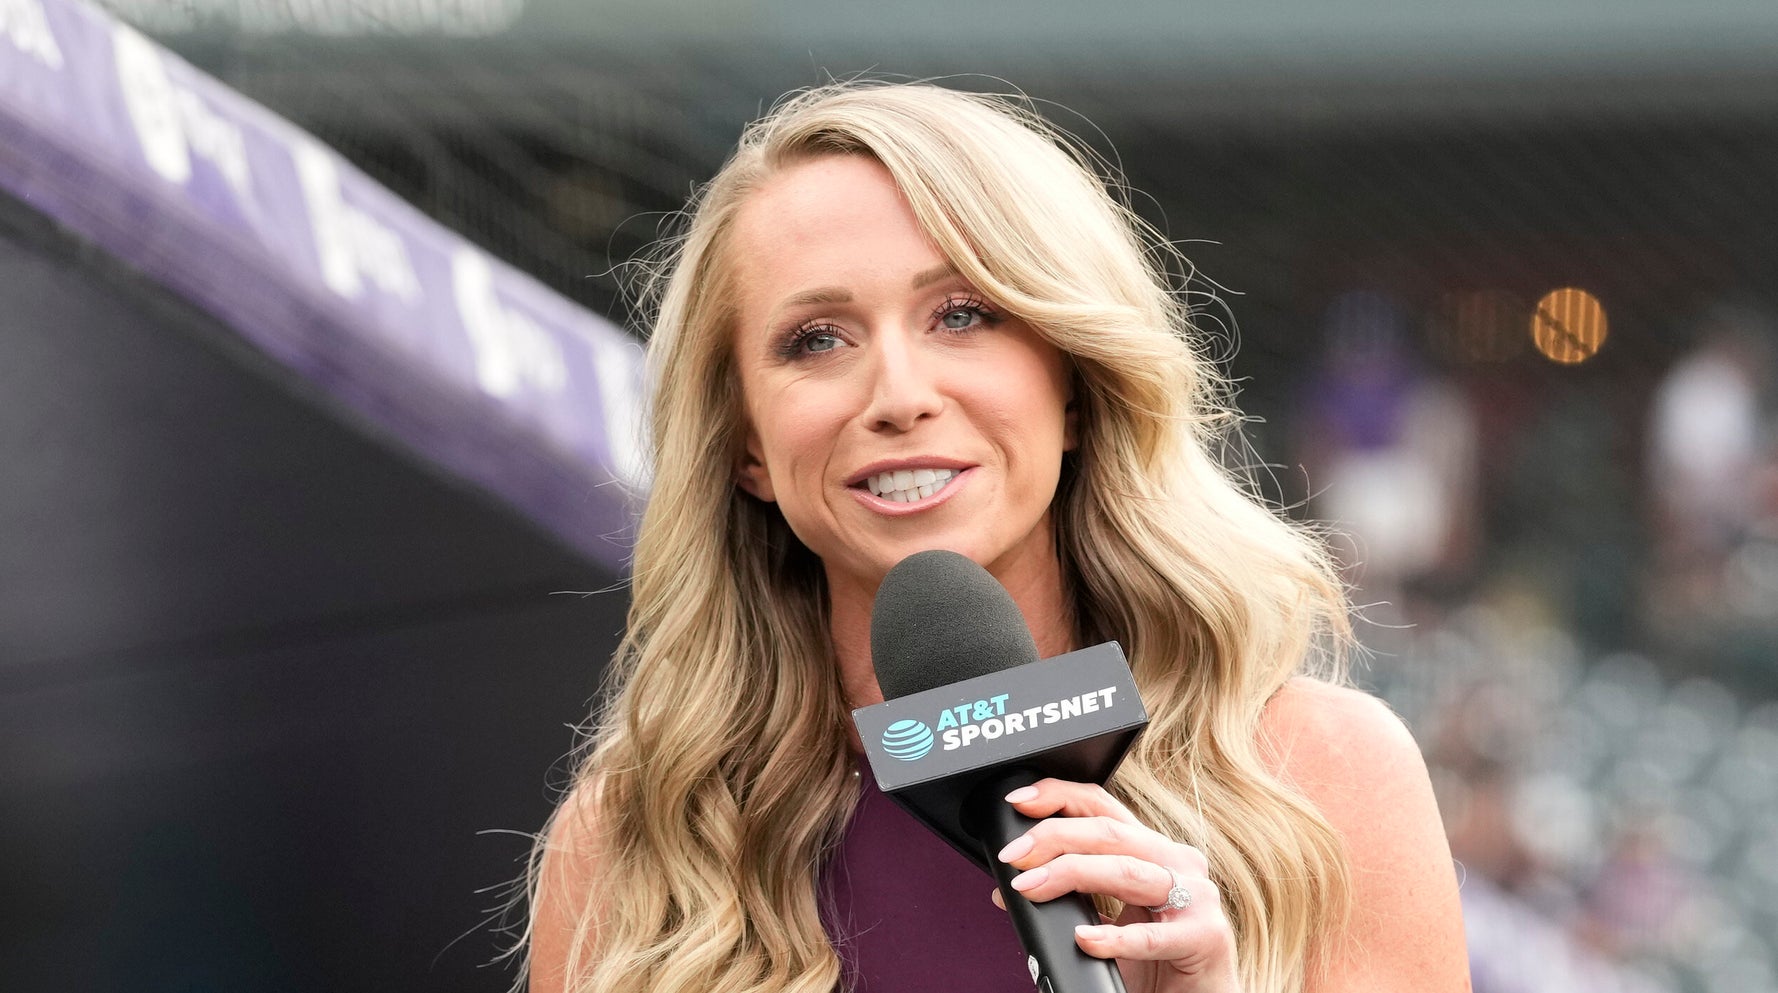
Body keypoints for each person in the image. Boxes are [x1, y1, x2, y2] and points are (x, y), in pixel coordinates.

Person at [524, 80, 1468, 993]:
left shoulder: (1321, 776)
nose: (899, 395)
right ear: (745, 448)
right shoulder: (629, 851)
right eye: (817, 337)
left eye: (963, 314)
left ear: (1075, 379)